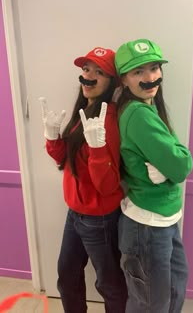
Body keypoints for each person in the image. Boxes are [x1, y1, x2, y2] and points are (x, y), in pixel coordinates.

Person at [40, 46, 127, 313]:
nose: (89, 76)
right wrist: (52, 138)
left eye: (99, 72)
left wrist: (99, 149)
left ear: (111, 81)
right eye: (86, 69)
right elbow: (65, 162)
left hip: (98, 217)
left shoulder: (107, 119)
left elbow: (108, 185)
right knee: (67, 279)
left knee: (109, 284)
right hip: (75, 213)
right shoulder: (84, 113)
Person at [114, 38, 193, 313]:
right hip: (146, 225)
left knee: (172, 293)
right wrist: (176, 161)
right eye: (138, 72)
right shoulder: (139, 114)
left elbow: (176, 161)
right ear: (123, 80)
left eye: (154, 67)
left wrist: (174, 159)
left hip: (164, 219)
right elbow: (182, 166)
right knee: (151, 305)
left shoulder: (150, 108)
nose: (150, 77)